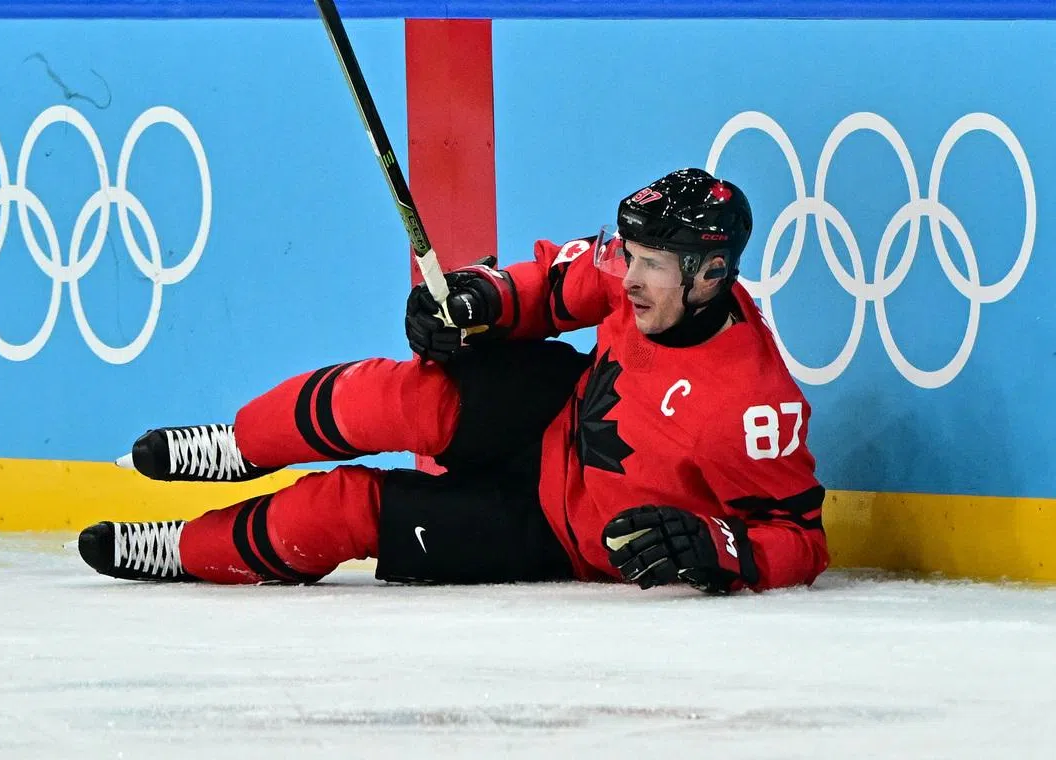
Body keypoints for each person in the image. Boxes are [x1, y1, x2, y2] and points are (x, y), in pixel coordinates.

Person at [78, 168, 829, 594]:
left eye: (652, 266)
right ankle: (240, 444)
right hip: (542, 411)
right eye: (628, 254)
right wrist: (476, 299)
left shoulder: (752, 403)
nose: (627, 277)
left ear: (711, 275)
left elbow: (800, 539)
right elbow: (542, 290)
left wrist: (719, 547)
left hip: (550, 538)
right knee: (402, 397)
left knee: (342, 514)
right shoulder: (632, 274)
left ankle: (180, 549)